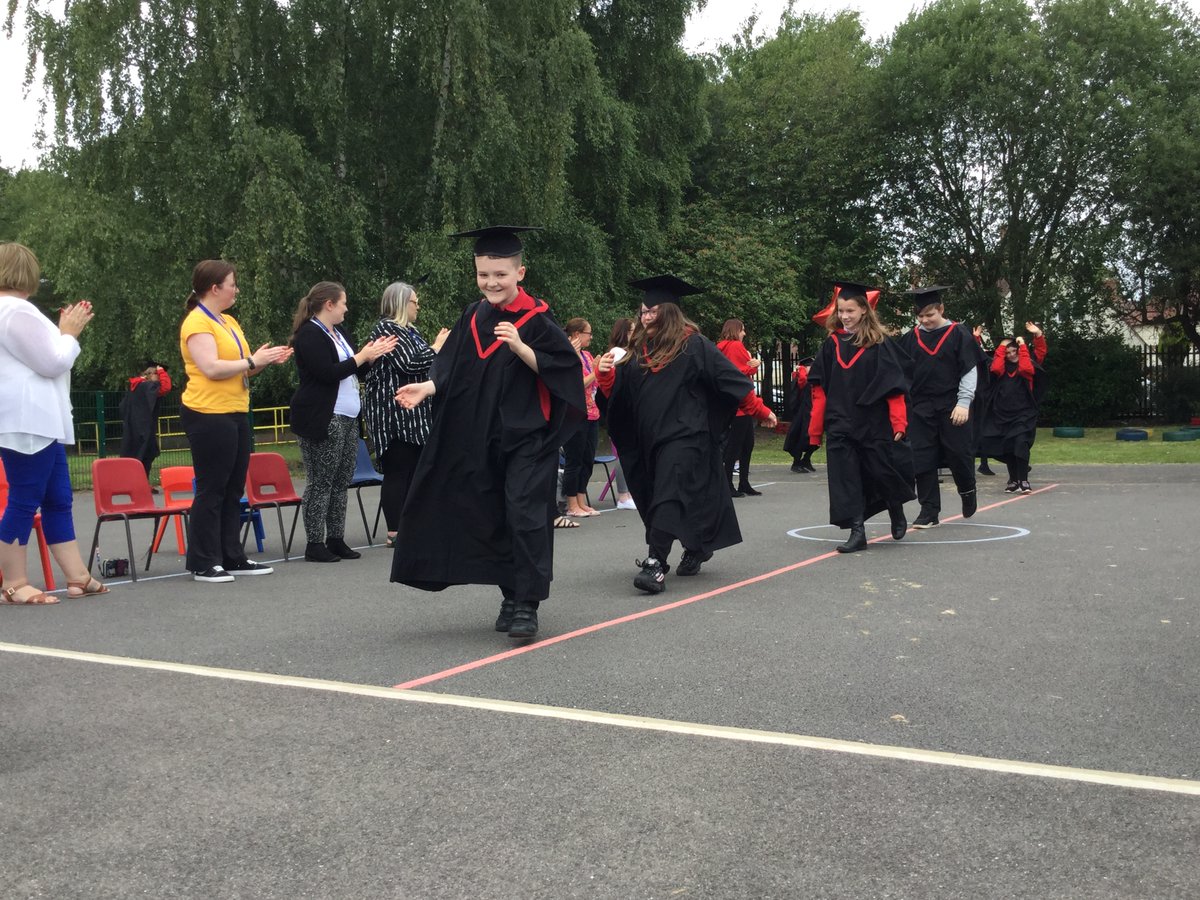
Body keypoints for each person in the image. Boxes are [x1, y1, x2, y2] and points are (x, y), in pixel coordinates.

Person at [392, 226, 585, 639]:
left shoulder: (537, 319)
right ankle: (510, 593)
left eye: (500, 274)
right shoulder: (473, 315)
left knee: (526, 514)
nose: (491, 283)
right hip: (481, 437)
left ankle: (528, 603)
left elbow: (565, 372)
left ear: (520, 273)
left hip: (528, 439)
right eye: (483, 274)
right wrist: (427, 386)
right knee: (492, 513)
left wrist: (521, 347)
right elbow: (453, 367)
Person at [596, 275, 776, 594]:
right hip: (648, 439)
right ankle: (697, 545)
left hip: (686, 435)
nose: (646, 317)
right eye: (643, 311)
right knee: (658, 498)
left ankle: (655, 564)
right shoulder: (637, 351)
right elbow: (618, 397)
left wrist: (760, 411)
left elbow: (729, 380)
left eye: (653, 311)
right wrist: (605, 376)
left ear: (670, 313)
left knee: (668, 492)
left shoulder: (694, 345)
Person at [0, 242, 111, 603]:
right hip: (29, 421)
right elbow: (52, 362)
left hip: (37, 420)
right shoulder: (16, 311)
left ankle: (77, 575)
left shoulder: (13, 311)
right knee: (25, 498)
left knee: (58, 498)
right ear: (27, 274)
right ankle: (14, 583)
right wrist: (69, 331)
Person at [179, 259, 292, 583]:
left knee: (233, 488)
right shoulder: (197, 322)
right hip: (208, 412)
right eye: (232, 284)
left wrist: (264, 360)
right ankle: (203, 561)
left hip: (235, 409)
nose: (236, 289)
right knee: (212, 487)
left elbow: (243, 366)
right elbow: (211, 368)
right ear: (215, 288)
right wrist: (252, 359)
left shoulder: (227, 321)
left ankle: (232, 555)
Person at [289, 281, 398, 562]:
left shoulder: (339, 333)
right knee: (321, 481)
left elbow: (353, 370)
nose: (346, 309)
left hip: (349, 416)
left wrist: (372, 357)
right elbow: (326, 372)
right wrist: (362, 356)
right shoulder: (309, 335)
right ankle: (315, 542)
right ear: (329, 305)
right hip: (323, 417)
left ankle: (336, 538)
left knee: (341, 480)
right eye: (343, 303)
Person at [807, 281, 915, 553]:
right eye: (841, 310)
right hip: (840, 422)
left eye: (850, 311)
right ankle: (857, 531)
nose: (844, 316)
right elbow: (819, 390)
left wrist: (899, 422)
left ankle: (895, 507)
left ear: (864, 310)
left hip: (872, 422)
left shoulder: (879, 344)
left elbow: (894, 389)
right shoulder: (831, 345)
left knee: (881, 471)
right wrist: (815, 430)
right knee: (846, 478)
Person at [362, 280, 449, 548]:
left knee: (415, 472)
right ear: (401, 303)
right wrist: (436, 347)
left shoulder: (411, 331)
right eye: (415, 301)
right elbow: (409, 363)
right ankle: (395, 531)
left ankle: (413, 525)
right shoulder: (386, 328)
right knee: (399, 471)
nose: (418, 306)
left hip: (415, 414)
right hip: (393, 415)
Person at [897, 286, 986, 528]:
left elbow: (969, 369)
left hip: (952, 405)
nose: (925, 320)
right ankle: (929, 511)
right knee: (922, 458)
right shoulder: (910, 339)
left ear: (941, 309)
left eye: (930, 315)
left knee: (958, 453)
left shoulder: (959, 334)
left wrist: (964, 403)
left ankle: (967, 491)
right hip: (921, 408)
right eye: (921, 316)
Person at [979, 322, 1047, 494]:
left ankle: (1023, 480)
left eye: (1013, 351)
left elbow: (1028, 366)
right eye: (1007, 353)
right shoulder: (1001, 368)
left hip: (1024, 414)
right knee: (1005, 447)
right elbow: (994, 366)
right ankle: (1013, 479)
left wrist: (1026, 342)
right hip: (1002, 415)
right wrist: (1001, 347)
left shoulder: (1027, 362)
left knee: (1020, 444)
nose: (1011, 355)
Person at [716, 318, 764, 497]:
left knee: (744, 444)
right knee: (737, 446)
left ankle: (742, 482)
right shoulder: (735, 346)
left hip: (733, 405)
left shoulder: (721, 347)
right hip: (741, 405)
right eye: (742, 330)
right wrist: (754, 366)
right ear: (736, 330)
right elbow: (739, 372)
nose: (744, 333)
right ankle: (730, 483)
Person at [561, 318, 601, 518]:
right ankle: (571, 503)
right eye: (588, 333)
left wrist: (601, 371)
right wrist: (595, 372)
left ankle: (581, 500)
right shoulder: (567, 355)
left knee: (587, 459)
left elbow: (594, 383)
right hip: (574, 414)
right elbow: (577, 384)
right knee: (574, 460)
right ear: (577, 334)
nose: (590, 337)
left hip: (592, 412)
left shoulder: (586, 355)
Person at [603, 317, 637, 510]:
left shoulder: (629, 352)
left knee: (630, 452)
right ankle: (623, 495)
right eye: (632, 331)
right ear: (624, 333)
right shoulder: (618, 353)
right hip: (622, 408)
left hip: (629, 407)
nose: (635, 334)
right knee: (623, 453)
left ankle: (629, 492)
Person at [119, 361, 172, 480]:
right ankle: (141, 483)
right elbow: (165, 387)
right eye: (158, 376)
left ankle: (140, 483)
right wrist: (161, 371)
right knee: (145, 454)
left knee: (138, 454)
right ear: (153, 374)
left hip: (133, 427)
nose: (158, 380)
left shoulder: (135, 386)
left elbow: (122, 407)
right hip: (144, 427)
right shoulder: (147, 386)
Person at [782, 355, 818, 473]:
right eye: (809, 366)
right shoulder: (800, 378)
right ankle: (796, 462)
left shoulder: (811, 379)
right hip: (802, 414)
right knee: (801, 438)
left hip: (811, 412)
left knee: (814, 439)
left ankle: (806, 459)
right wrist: (801, 371)